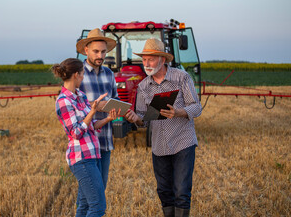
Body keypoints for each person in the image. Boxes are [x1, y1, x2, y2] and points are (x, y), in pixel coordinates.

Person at [124, 38, 202, 217]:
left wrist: (179, 112)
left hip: (183, 141)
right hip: (159, 145)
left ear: (162, 59)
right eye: (144, 59)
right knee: (164, 192)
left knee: (182, 192)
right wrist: (136, 119)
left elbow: (197, 107)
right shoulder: (143, 86)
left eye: (150, 59)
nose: (146, 63)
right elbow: (144, 119)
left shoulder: (181, 77)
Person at [52, 58, 120, 217]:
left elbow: (91, 125)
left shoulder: (80, 95)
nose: (83, 77)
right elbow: (75, 132)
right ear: (76, 75)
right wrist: (92, 111)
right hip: (81, 158)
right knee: (98, 207)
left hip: (93, 154)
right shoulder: (63, 101)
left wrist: (109, 118)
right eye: (82, 74)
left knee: (84, 205)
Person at [76, 28, 119, 189]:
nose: (100, 56)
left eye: (103, 52)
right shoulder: (77, 74)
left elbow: (116, 99)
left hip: (105, 141)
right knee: (89, 195)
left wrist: (126, 112)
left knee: (100, 190)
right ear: (86, 50)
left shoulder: (109, 73)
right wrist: (96, 105)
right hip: (86, 144)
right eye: (95, 51)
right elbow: (71, 105)